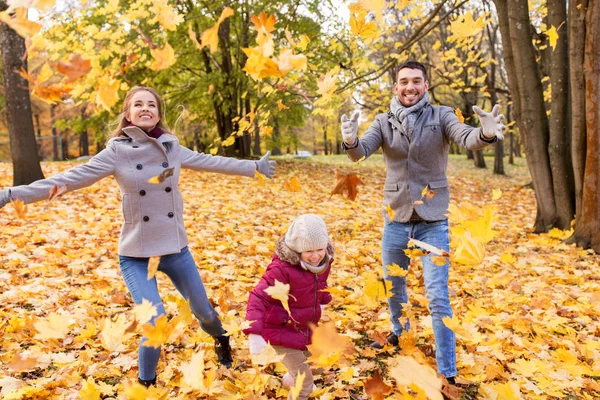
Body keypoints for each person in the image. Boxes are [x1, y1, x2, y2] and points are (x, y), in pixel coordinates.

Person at [0, 86, 276, 387]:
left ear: (158, 113)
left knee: (204, 312)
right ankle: (147, 386)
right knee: (154, 320)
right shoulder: (116, 152)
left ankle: (220, 337)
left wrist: (254, 168)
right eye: (138, 104)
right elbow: (68, 178)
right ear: (127, 113)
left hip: (175, 249)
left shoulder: (172, 147)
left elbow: (213, 161)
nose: (146, 109)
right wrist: (12, 194)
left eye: (151, 105)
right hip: (136, 255)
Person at [339, 61, 505, 383]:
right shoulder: (383, 122)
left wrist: (485, 132)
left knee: (438, 297)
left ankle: (448, 373)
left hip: (433, 222)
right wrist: (350, 141)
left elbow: (466, 137)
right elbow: (361, 152)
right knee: (395, 290)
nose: (410, 87)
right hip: (396, 220)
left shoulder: (441, 115)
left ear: (426, 85)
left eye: (416, 81)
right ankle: (401, 335)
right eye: (404, 81)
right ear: (396, 87)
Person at [244, 214, 334, 400]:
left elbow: (319, 284)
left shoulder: (321, 263)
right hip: (279, 331)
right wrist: (254, 333)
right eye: (308, 251)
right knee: (304, 385)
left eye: (320, 249)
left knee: (316, 364)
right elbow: (258, 297)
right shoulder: (281, 270)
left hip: (303, 328)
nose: (315, 255)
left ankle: (289, 378)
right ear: (296, 249)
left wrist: (324, 300)